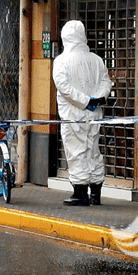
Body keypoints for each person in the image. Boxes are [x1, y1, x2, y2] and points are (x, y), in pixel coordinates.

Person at [52, 20, 112, 206]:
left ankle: (80, 193)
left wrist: (85, 101)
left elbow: (64, 88)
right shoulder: (96, 59)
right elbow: (106, 82)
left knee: (76, 151)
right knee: (93, 150)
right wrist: (96, 100)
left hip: (73, 115)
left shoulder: (61, 61)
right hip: (94, 115)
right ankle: (96, 193)